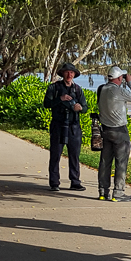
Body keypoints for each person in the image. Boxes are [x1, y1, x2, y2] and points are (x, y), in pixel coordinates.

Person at [96, 66, 131, 202]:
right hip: (119, 131)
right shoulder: (119, 90)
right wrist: (130, 83)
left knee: (105, 162)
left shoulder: (101, 89)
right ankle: (118, 192)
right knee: (121, 162)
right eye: (122, 77)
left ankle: (103, 191)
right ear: (119, 78)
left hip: (105, 130)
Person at [42, 62, 88, 192]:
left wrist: (80, 108)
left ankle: (75, 182)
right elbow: (46, 104)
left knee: (74, 155)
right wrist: (60, 99)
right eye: (67, 72)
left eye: (71, 72)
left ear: (74, 74)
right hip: (58, 125)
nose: (69, 74)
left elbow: (85, 108)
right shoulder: (54, 88)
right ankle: (54, 182)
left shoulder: (78, 89)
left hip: (74, 126)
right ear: (62, 73)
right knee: (55, 154)